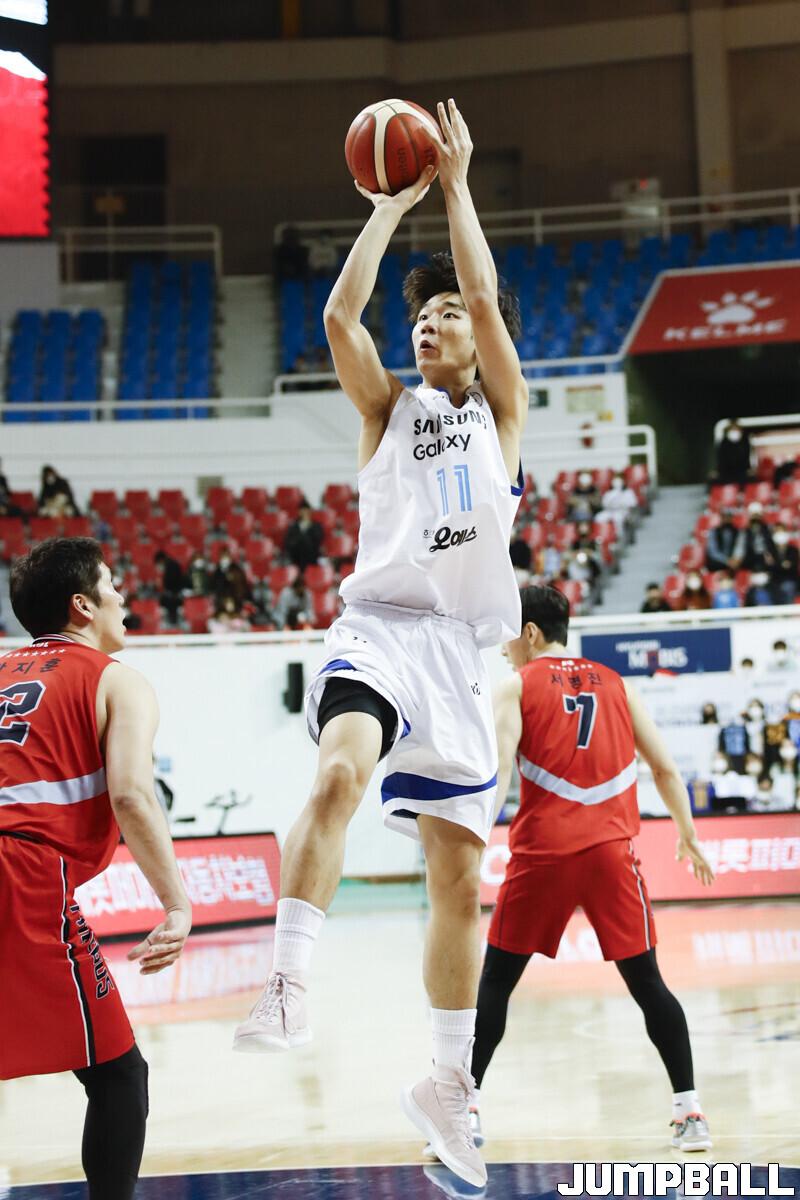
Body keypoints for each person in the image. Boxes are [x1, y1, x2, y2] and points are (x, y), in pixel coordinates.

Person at [233, 98, 528, 1190]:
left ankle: (448, 1083)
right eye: (424, 318)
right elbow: (338, 318)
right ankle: (287, 979)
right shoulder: (386, 412)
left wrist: (456, 189)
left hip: (457, 655)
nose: (430, 326)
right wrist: (389, 207)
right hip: (377, 630)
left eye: (445, 316)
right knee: (338, 774)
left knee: (460, 881)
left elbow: (486, 296)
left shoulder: (500, 413)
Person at [459, 586, 714, 1158]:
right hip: (610, 855)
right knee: (649, 985)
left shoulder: (515, 686)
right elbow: (665, 768)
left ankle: (464, 1108)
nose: (503, 648)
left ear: (530, 633)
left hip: (542, 855)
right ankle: (690, 1111)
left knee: (496, 983)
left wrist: (475, 840)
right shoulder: (618, 684)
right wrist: (688, 834)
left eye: (508, 636)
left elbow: (498, 773)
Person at [0, 537, 192, 1200]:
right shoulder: (116, 679)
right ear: (83, 605)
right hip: (22, 873)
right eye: (112, 586)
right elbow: (133, 794)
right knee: (118, 1074)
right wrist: (177, 903)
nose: (123, 599)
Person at [284, 502, 325, 571]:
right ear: (299, 512)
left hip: (311, 556)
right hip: (296, 556)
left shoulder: (316, 525)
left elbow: (318, 539)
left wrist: (308, 527)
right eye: (302, 510)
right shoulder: (293, 526)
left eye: (306, 510)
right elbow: (288, 541)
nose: (304, 513)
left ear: (310, 511)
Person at [710, 419, 752, 487]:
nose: (734, 432)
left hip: (741, 472)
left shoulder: (745, 443)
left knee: (751, 480)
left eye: (736, 429)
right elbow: (720, 459)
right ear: (728, 431)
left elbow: (746, 459)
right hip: (726, 472)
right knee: (714, 480)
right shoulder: (723, 443)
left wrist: (748, 469)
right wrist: (717, 471)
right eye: (732, 429)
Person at [154, 548, 189, 626]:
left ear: (161, 560)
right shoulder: (170, 564)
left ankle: (172, 623)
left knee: (167, 600)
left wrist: (162, 583)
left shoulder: (171, 565)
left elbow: (171, 583)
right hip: (174, 593)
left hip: (175, 594)